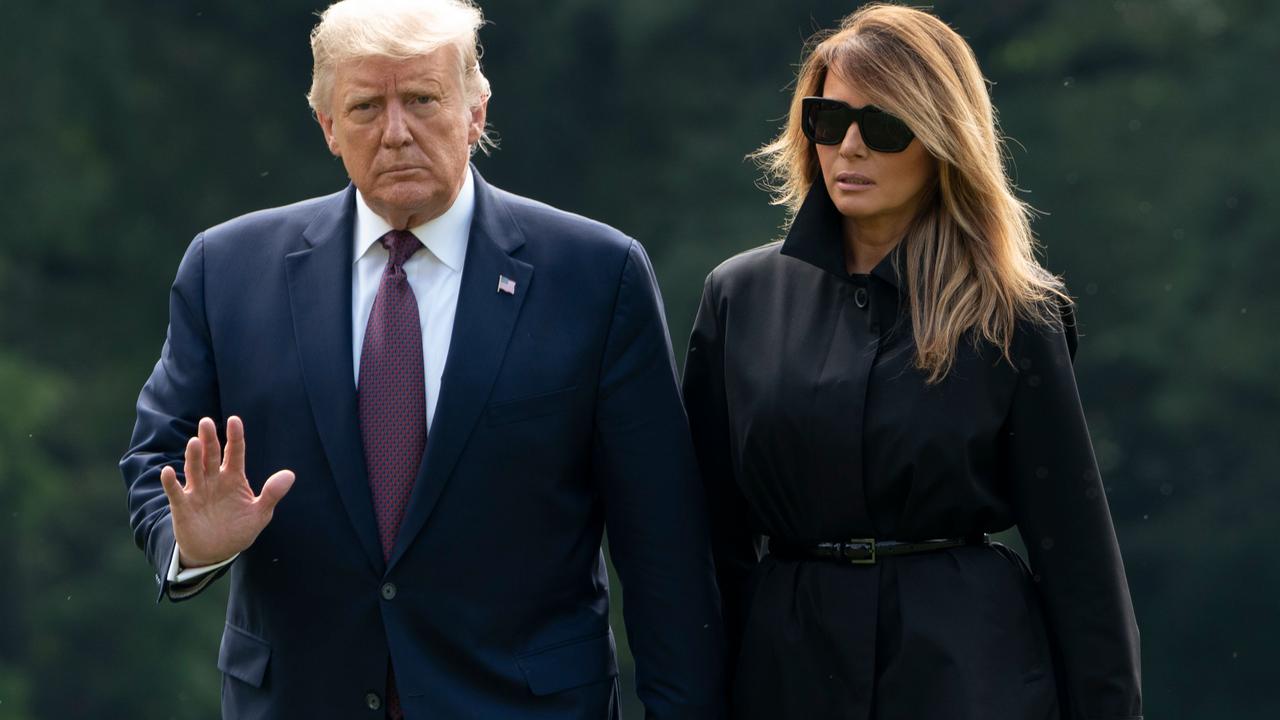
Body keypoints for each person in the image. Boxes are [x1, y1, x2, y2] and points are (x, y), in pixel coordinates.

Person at [120, 0, 725, 717]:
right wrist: (193, 545)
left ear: (476, 110)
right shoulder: (226, 270)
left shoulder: (597, 275)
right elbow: (156, 460)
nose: (397, 132)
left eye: (422, 99)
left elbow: (665, 554)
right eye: (367, 106)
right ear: (328, 127)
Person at [683, 4, 1142, 719]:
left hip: (968, 673)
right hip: (787, 672)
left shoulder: (1014, 314)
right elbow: (709, 542)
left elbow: (1076, 556)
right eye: (829, 121)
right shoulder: (739, 297)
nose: (851, 148)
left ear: (941, 140)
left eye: (886, 127)